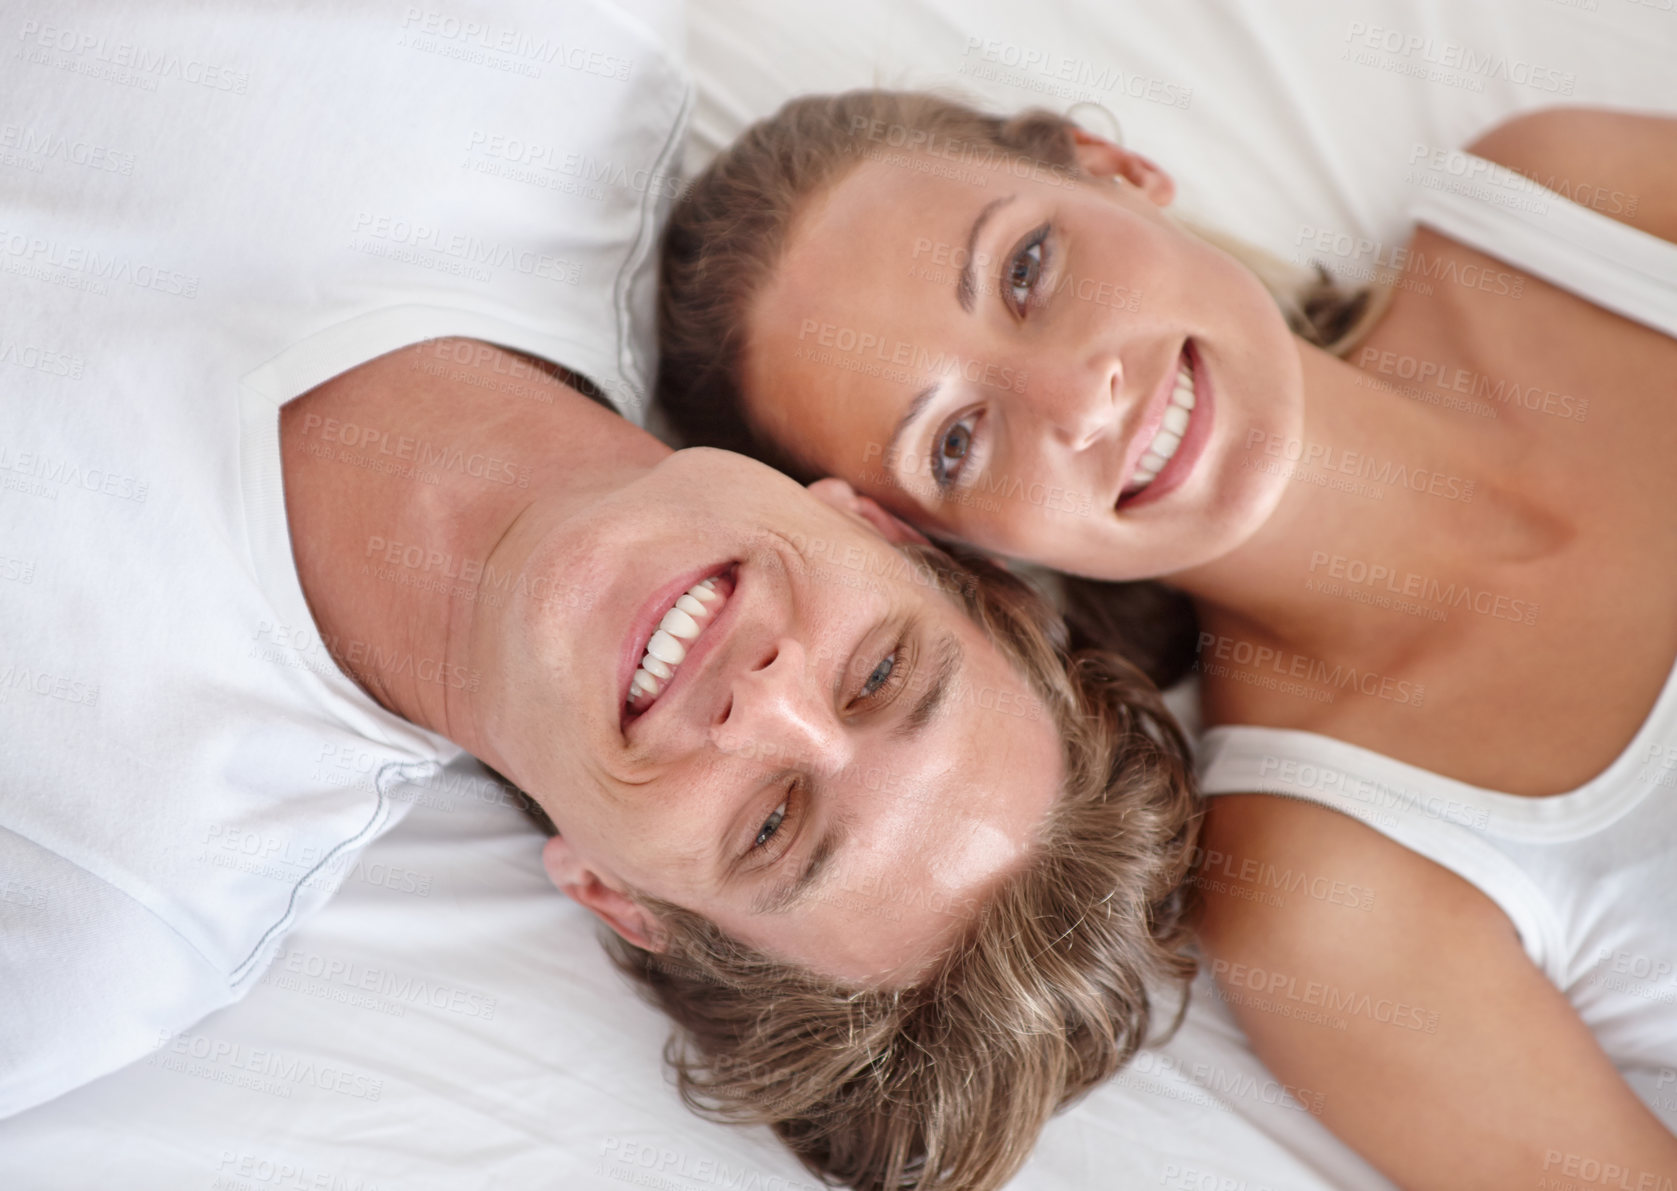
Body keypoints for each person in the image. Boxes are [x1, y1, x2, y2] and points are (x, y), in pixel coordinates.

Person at [0, 12, 1199, 1191]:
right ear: (870, 522)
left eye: (772, 825)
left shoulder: (102, 925)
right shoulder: (544, 61)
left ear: (618, 898)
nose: (770, 705)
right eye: (880, 674)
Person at [655, 90, 1677, 1186]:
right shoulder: (1328, 901)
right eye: (953, 443)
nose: (1077, 403)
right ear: (951, 557)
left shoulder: (1567, 209)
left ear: (1112, 168)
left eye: (1026, 271)